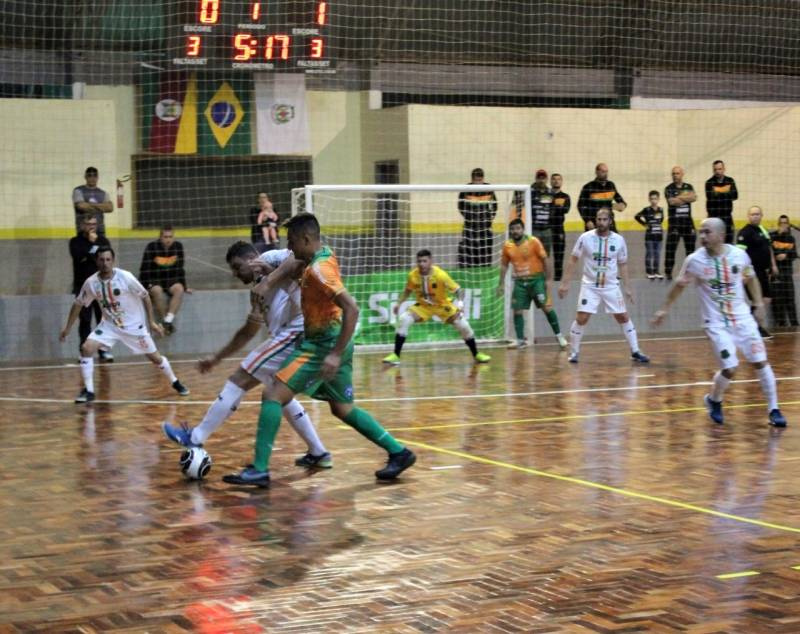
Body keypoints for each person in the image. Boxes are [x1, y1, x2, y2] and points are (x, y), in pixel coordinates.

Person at [222, 213, 416, 486]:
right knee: (343, 408)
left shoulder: (319, 270)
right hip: (336, 340)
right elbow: (297, 268)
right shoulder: (322, 255)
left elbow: (352, 307)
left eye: (291, 242)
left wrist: (334, 354)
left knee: (273, 394)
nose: (289, 248)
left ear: (305, 239)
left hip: (323, 343)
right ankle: (399, 452)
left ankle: (260, 469)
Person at [162, 241, 332, 469]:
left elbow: (299, 258)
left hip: (297, 332)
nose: (234, 273)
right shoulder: (256, 293)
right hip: (291, 336)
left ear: (253, 258)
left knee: (239, 379)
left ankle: (195, 437)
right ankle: (319, 452)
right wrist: (216, 358)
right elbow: (248, 332)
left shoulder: (273, 257)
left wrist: (271, 277)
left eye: (237, 266)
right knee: (280, 394)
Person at [652, 218, 786, 427]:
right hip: (715, 323)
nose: (702, 236)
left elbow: (751, 279)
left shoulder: (739, 255)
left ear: (721, 235)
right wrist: (664, 309)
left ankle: (774, 409)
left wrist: (758, 304)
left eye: (707, 232)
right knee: (730, 367)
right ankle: (714, 400)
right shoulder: (694, 260)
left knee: (760, 361)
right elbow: (679, 285)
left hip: (743, 319)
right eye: (701, 232)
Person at [59, 246, 190, 403]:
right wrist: (67, 328)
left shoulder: (125, 277)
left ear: (113, 261)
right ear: (96, 261)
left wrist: (152, 322)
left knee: (156, 358)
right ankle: (89, 391)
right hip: (109, 326)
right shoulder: (91, 283)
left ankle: (175, 382)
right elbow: (78, 304)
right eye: (101, 260)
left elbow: (145, 296)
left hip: (134, 327)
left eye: (108, 260)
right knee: (87, 348)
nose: (105, 263)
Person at [558, 207, 649, 364]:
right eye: (598, 219)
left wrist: (627, 287)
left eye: (604, 219)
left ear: (610, 221)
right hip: (590, 286)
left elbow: (623, 264)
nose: (600, 222)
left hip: (611, 286)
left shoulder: (619, 240)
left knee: (623, 316)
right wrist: (565, 283)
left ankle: (635, 351)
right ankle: (574, 352)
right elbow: (573, 259)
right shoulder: (585, 238)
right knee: (582, 318)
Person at [382, 249, 491, 365]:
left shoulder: (441, 275)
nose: (421, 264)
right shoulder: (413, 275)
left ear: (431, 261)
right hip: (423, 306)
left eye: (424, 261)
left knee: (463, 325)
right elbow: (407, 291)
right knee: (404, 319)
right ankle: (396, 355)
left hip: (442, 305)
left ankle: (477, 355)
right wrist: (399, 303)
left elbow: (458, 290)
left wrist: (460, 304)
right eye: (419, 261)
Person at [498, 219, 568, 349]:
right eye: (512, 229)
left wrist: (548, 279)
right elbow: (503, 265)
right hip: (520, 282)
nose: (515, 231)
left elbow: (545, 260)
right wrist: (501, 283)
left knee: (547, 308)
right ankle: (520, 340)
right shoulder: (507, 246)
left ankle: (559, 336)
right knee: (517, 310)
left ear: (523, 229)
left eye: (518, 228)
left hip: (536, 281)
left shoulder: (533, 242)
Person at [69, 214, 113, 362]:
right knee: (85, 320)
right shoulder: (75, 242)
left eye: (94, 224)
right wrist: (93, 246)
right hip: (84, 286)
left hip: (101, 286)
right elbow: (79, 257)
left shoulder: (103, 241)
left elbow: (106, 260)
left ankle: (103, 350)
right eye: (88, 224)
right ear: (82, 226)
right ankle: (84, 351)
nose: (91, 227)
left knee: (104, 319)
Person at [736, 205, 778, 339]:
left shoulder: (763, 230)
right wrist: (743, 273)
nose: (755, 216)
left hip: (763, 271)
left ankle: (748, 325)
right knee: (757, 300)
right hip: (752, 273)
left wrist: (773, 265)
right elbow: (739, 254)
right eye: (753, 214)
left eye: (758, 214)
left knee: (766, 299)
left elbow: (768, 248)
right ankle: (756, 329)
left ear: (761, 216)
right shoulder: (744, 232)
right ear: (748, 216)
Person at [138, 225, 189, 335]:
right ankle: (163, 320)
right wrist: (145, 286)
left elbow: (180, 268)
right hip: (154, 278)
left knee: (179, 289)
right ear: (160, 237)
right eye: (165, 237)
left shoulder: (178, 247)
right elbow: (144, 268)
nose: (168, 239)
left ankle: (168, 321)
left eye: (170, 237)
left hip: (170, 278)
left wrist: (185, 286)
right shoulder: (152, 247)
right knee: (157, 291)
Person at [457, 168, 497, 268]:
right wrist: (470, 219)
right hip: (470, 229)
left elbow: (495, 206)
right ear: (472, 179)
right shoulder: (466, 190)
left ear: (483, 179)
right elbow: (460, 207)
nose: (478, 183)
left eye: (480, 180)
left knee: (485, 257)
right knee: (470, 257)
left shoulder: (489, 189)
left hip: (485, 230)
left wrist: (488, 220)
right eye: (476, 180)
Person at [664, 166, 697, 280]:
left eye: (677, 173)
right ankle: (668, 272)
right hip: (674, 223)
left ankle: (690, 271)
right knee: (670, 249)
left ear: (682, 174)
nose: (675, 175)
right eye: (673, 173)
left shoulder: (689, 186)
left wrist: (679, 197)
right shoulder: (668, 188)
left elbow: (694, 197)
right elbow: (672, 201)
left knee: (691, 249)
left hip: (687, 222)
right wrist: (685, 197)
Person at [577, 163, 626, 232]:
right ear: (596, 172)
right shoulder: (588, 187)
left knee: (615, 242)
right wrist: (587, 221)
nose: (605, 174)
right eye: (603, 171)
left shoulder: (611, 185)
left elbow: (620, 200)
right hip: (593, 223)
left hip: (609, 223)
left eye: (606, 171)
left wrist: (622, 205)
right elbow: (580, 206)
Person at [770, 215, 798, 328]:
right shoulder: (772, 236)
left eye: (785, 223)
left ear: (788, 224)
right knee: (777, 299)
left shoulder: (791, 239)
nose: (783, 225)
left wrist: (786, 256)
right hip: (775, 272)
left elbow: (794, 254)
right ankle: (780, 323)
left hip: (787, 271)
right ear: (778, 224)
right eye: (781, 223)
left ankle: (794, 323)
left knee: (790, 298)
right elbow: (768, 250)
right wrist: (776, 257)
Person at [72, 166, 113, 236]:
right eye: (90, 175)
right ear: (85, 177)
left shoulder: (103, 193)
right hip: (83, 231)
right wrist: (102, 206)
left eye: (95, 175)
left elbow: (110, 208)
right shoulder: (78, 190)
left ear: (98, 177)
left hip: (100, 231)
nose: (92, 178)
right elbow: (81, 206)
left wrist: (90, 204)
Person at [634, 191, 665, 280]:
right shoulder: (646, 210)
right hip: (649, 236)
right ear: (649, 199)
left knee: (657, 254)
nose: (653, 201)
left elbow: (661, 220)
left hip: (659, 235)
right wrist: (644, 224)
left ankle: (656, 271)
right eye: (651, 199)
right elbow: (637, 216)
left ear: (658, 199)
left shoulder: (661, 210)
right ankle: (649, 271)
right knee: (649, 253)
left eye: (655, 198)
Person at [705, 160, 738, 243]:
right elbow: (712, 197)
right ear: (713, 170)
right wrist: (726, 190)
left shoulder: (730, 180)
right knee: (713, 243)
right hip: (713, 217)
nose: (717, 171)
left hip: (727, 216)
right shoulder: (709, 183)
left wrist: (717, 191)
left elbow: (735, 195)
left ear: (724, 169)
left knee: (729, 242)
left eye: (719, 169)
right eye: (715, 169)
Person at [550, 173, 571, 281]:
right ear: (550, 181)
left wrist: (553, 207)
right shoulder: (546, 195)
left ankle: (558, 278)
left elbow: (566, 209)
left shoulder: (565, 196)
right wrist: (558, 206)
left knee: (559, 255)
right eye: (554, 179)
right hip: (546, 228)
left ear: (561, 181)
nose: (556, 181)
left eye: (558, 179)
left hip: (559, 229)